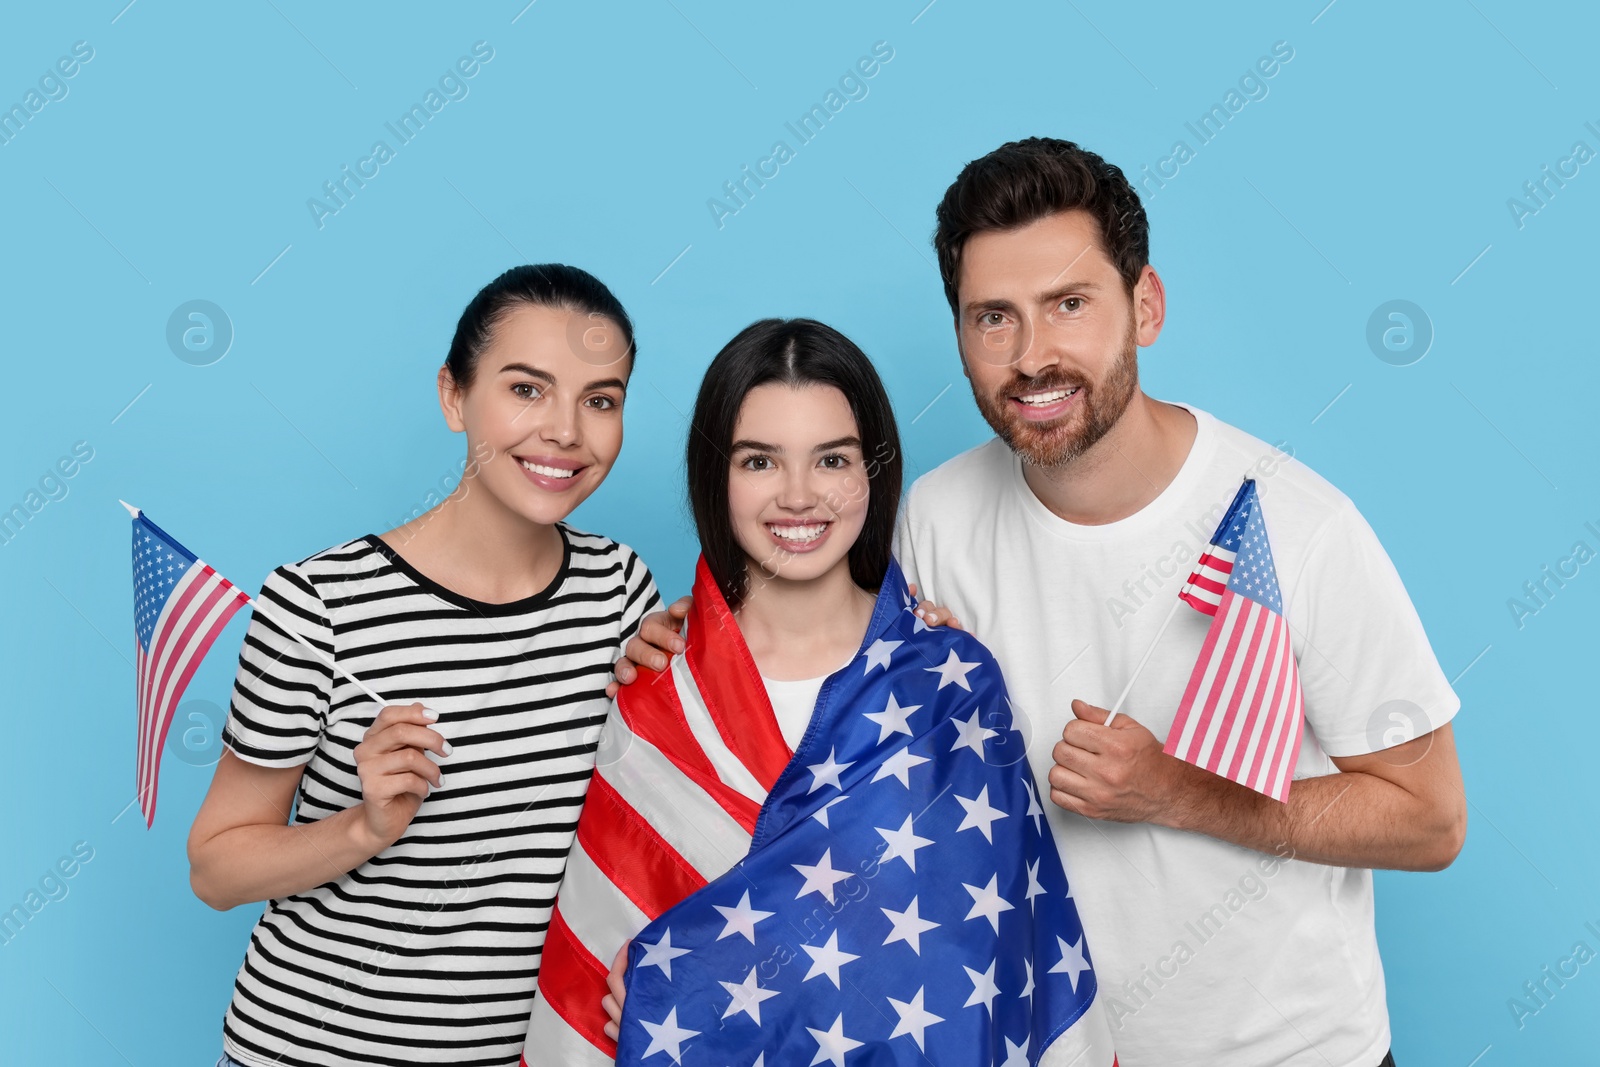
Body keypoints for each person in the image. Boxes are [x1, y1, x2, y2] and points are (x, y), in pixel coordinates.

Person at [621, 139, 1465, 1067]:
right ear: (960, 334)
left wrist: (1179, 792)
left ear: (1144, 305)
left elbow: (1430, 819)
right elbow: (831, 743)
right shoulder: (930, 522)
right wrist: (700, 646)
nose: (1034, 356)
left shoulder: (1301, 525)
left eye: (1069, 304)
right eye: (995, 318)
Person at [521, 319, 1115, 1065]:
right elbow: (595, 988)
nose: (799, 496)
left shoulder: (950, 686)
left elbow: (979, 972)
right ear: (717, 476)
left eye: (831, 458)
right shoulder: (656, 697)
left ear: (872, 469)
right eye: (760, 460)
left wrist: (707, 986)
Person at [187, 264, 662, 1067]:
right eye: (526, 389)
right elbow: (216, 866)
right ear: (453, 396)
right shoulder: (319, 604)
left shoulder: (619, 588)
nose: (566, 431)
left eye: (601, 400)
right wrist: (364, 826)